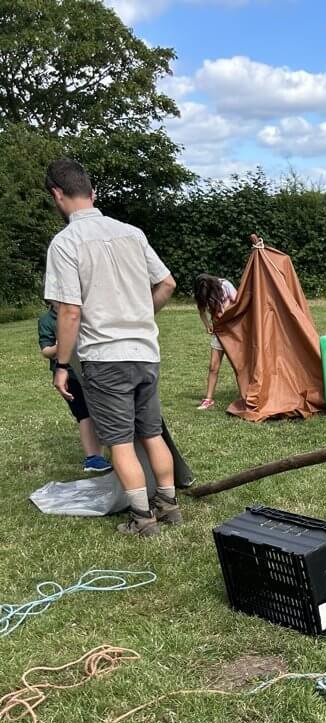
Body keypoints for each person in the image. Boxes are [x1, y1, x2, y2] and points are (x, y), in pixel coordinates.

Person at [43, 158, 180, 537]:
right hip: (145, 351)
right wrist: (141, 314)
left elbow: (69, 311)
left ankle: (142, 518)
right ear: (93, 192)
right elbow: (167, 283)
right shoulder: (132, 233)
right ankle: (169, 506)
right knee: (151, 433)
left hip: (105, 357)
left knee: (119, 442)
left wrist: (62, 365)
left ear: (57, 194)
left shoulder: (65, 242)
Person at [37, 301, 110, 472]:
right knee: (84, 414)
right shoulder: (47, 320)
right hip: (69, 376)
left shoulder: (82, 312)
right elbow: (45, 351)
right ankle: (93, 458)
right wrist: (64, 343)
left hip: (92, 368)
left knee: (100, 411)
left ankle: (112, 452)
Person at [193, 273, 237, 409]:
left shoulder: (225, 285)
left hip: (233, 331)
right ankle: (208, 399)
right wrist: (207, 325)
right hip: (218, 331)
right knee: (213, 366)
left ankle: (247, 395)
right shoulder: (202, 294)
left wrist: (226, 312)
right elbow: (201, 311)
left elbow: (238, 303)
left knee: (238, 366)